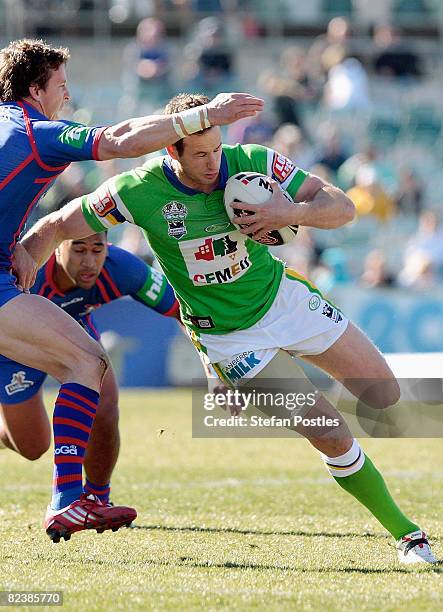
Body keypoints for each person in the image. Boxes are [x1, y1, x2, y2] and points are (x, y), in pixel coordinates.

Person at [19, 93, 437, 564]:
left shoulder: (252, 162)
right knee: (331, 432)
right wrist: (17, 268)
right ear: (170, 151)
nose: (213, 162)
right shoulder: (138, 191)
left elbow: (340, 206)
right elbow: (57, 223)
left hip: (285, 301)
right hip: (232, 340)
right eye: (199, 153)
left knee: (383, 395)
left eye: (216, 149)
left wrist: (290, 214)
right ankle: (409, 535)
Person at [0, 38, 263, 542]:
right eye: (60, 86)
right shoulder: (36, 132)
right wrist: (206, 113)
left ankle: (78, 498)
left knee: (55, 415)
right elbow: (119, 139)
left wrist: (13, 240)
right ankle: (69, 500)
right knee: (88, 364)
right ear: (35, 89)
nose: (67, 97)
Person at [0, 233, 179, 509]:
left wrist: (215, 364)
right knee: (33, 447)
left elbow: (182, 309)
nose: (89, 262)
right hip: (14, 354)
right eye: (79, 250)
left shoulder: (122, 267)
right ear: (56, 249)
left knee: (105, 404)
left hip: (74, 337)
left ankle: (97, 499)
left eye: (97, 250)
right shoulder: (26, 269)